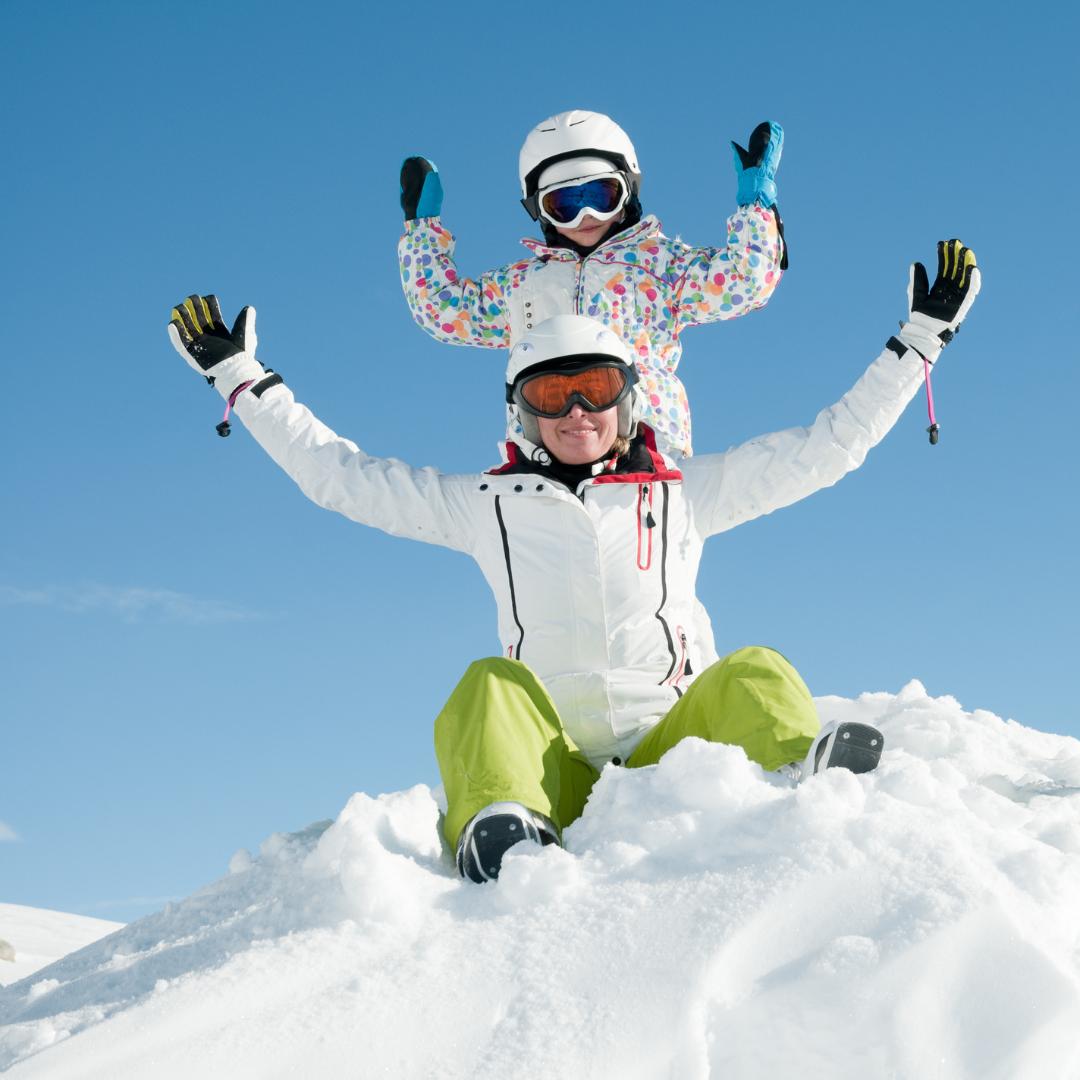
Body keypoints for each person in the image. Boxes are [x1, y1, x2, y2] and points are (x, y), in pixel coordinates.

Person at [168, 240, 980, 883]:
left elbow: (827, 448)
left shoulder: (684, 492)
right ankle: (500, 824)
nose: (578, 411)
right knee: (488, 685)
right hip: (554, 761)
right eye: (551, 396)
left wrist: (918, 340)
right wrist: (242, 377)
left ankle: (799, 768)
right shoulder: (486, 504)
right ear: (520, 412)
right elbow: (342, 477)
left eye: (595, 387)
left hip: (674, 752)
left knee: (754, 669)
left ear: (628, 399)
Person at [397, 110, 787, 458]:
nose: (585, 215)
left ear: (627, 191)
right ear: (540, 211)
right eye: (564, 205)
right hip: (548, 445)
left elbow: (744, 281)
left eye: (601, 196)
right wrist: (422, 230)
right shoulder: (520, 283)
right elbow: (442, 310)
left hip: (643, 442)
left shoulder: (661, 265)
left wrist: (757, 206)